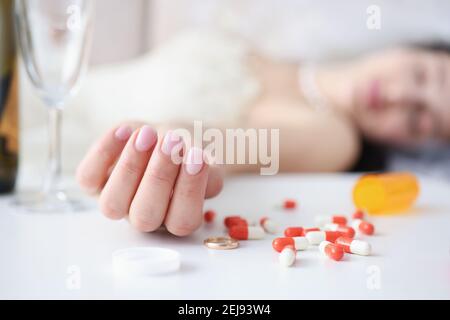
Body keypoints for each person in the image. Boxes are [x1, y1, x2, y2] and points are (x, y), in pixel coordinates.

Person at [76, 45, 450, 236]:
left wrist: (175, 142)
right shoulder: (270, 46)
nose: (400, 96)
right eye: (420, 75)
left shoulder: (335, 138)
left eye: (419, 119)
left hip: (65, 166)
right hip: (47, 90)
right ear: (408, 47)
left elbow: (234, 143)